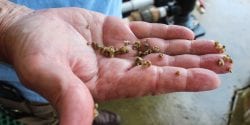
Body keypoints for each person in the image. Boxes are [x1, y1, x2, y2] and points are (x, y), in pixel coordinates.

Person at [0, 0, 232, 125]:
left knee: (86, 99)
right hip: (25, 81)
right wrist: (9, 20)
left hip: (105, 24)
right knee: (54, 108)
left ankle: (92, 113)